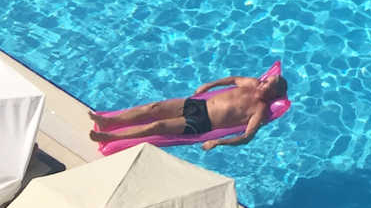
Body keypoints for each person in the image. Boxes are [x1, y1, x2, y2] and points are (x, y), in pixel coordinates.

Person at [89, 72, 287, 150]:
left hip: (203, 122)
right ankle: (109, 120)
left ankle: (110, 137)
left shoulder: (259, 110)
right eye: (265, 80)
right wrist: (209, 85)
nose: (262, 82)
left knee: (158, 126)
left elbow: (247, 137)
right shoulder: (251, 83)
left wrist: (217, 142)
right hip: (198, 104)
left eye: (267, 83)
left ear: (273, 93)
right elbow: (232, 79)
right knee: (153, 107)